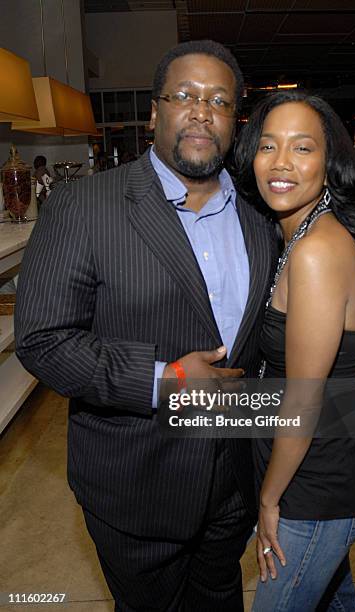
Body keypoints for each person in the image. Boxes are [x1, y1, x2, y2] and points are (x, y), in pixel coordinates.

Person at [15, 40, 277, 611]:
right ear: (155, 113)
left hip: (233, 481)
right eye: (184, 95)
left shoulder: (263, 217)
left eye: (219, 100)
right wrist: (166, 379)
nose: (202, 110)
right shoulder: (84, 207)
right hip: (137, 485)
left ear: (235, 120)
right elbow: (42, 339)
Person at [234, 90, 355, 611]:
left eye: (302, 148)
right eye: (268, 145)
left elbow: (302, 402)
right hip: (316, 472)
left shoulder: (318, 249)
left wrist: (269, 500)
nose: (280, 163)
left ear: (329, 162)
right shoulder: (297, 238)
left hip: (315, 489)